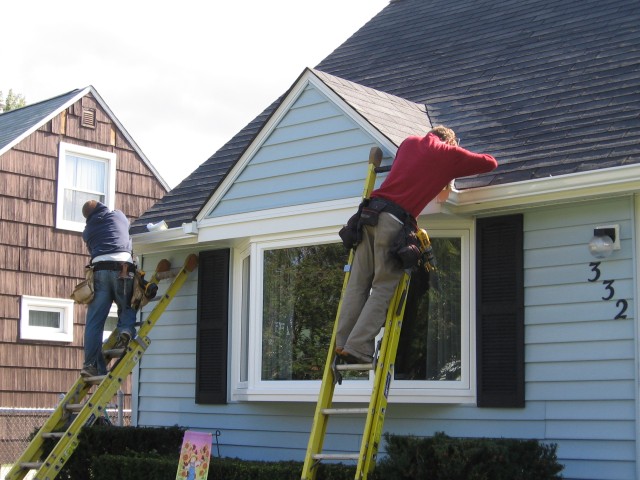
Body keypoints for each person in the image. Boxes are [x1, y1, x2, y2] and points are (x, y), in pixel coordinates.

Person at [335, 125, 498, 364]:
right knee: (382, 287)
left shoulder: (409, 142)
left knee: (358, 283)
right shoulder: (449, 154)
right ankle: (357, 347)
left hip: (368, 215)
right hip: (393, 221)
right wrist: (453, 162)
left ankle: (342, 343)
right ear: (450, 142)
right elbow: (490, 162)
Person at [80, 200, 137, 378]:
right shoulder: (119, 215)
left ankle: (90, 365)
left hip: (99, 271)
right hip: (123, 267)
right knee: (126, 304)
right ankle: (126, 331)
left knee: (94, 322)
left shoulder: (87, 231)